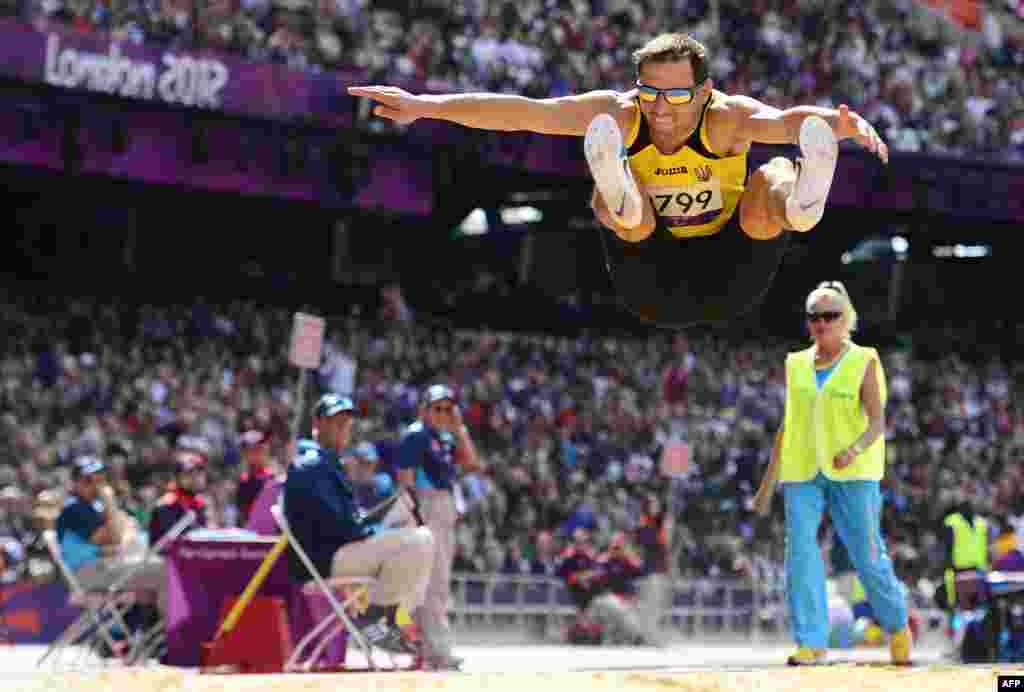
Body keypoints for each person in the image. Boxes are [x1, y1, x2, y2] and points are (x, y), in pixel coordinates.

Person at [348, 33, 888, 328]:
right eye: (650, 93)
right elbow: (525, 112)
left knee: (774, 169)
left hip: (732, 272)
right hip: (649, 274)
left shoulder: (726, 118)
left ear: (703, 94)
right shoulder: (622, 113)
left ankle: (803, 206)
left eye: (677, 97)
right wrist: (425, 106)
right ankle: (620, 191)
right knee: (608, 194)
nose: (662, 109)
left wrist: (836, 125)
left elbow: (786, 122)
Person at [756, 281, 912, 666]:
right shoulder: (795, 365)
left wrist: (854, 449)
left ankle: (896, 626)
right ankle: (811, 642)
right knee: (802, 554)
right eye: (815, 316)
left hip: (854, 472)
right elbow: (787, 426)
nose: (822, 322)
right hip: (802, 470)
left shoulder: (864, 360)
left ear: (847, 319)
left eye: (831, 315)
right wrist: (766, 485)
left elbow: (877, 422)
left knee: (866, 555)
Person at [284, 394, 434, 654]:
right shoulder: (311, 464)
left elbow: (345, 521)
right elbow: (341, 526)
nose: (343, 427)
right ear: (317, 423)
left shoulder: (327, 462)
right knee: (419, 540)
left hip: (337, 552)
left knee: (420, 540)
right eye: (336, 421)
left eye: (347, 422)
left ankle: (383, 619)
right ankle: (375, 619)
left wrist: (380, 522)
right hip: (325, 559)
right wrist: (379, 528)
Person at [396, 384, 484, 671]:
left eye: (449, 408)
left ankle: (429, 649)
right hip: (428, 505)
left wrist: (460, 428)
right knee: (433, 580)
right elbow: (405, 480)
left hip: (444, 506)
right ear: (424, 409)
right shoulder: (415, 435)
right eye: (438, 408)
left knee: (436, 580)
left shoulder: (445, 437)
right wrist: (417, 517)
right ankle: (438, 650)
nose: (444, 414)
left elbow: (472, 464)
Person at [234, 418, 276, 527]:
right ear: (245, 454)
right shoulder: (244, 481)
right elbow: (242, 515)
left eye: (262, 448)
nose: (261, 452)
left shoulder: (273, 478)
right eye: (255, 450)